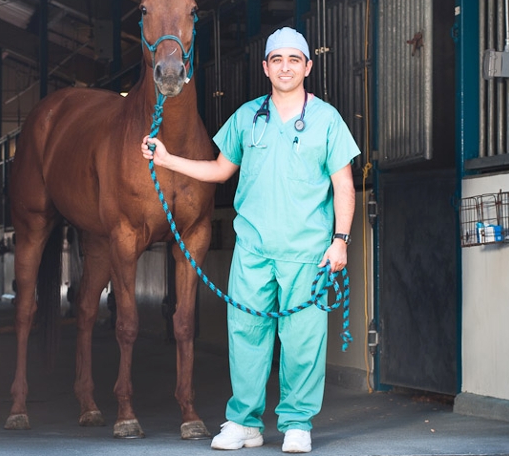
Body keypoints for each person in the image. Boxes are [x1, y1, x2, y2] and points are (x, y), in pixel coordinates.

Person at [141, 26, 360, 453]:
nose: (285, 67)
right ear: (265, 67)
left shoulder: (326, 120)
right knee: (246, 336)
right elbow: (219, 170)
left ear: (307, 67)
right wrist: (167, 160)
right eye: (277, 60)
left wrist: (341, 240)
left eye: (293, 60)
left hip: (307, 252)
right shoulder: (247, 117)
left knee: (302, 341)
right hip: (254, 249)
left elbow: (344, 186)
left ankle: (297, 423)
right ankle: (244, 422)